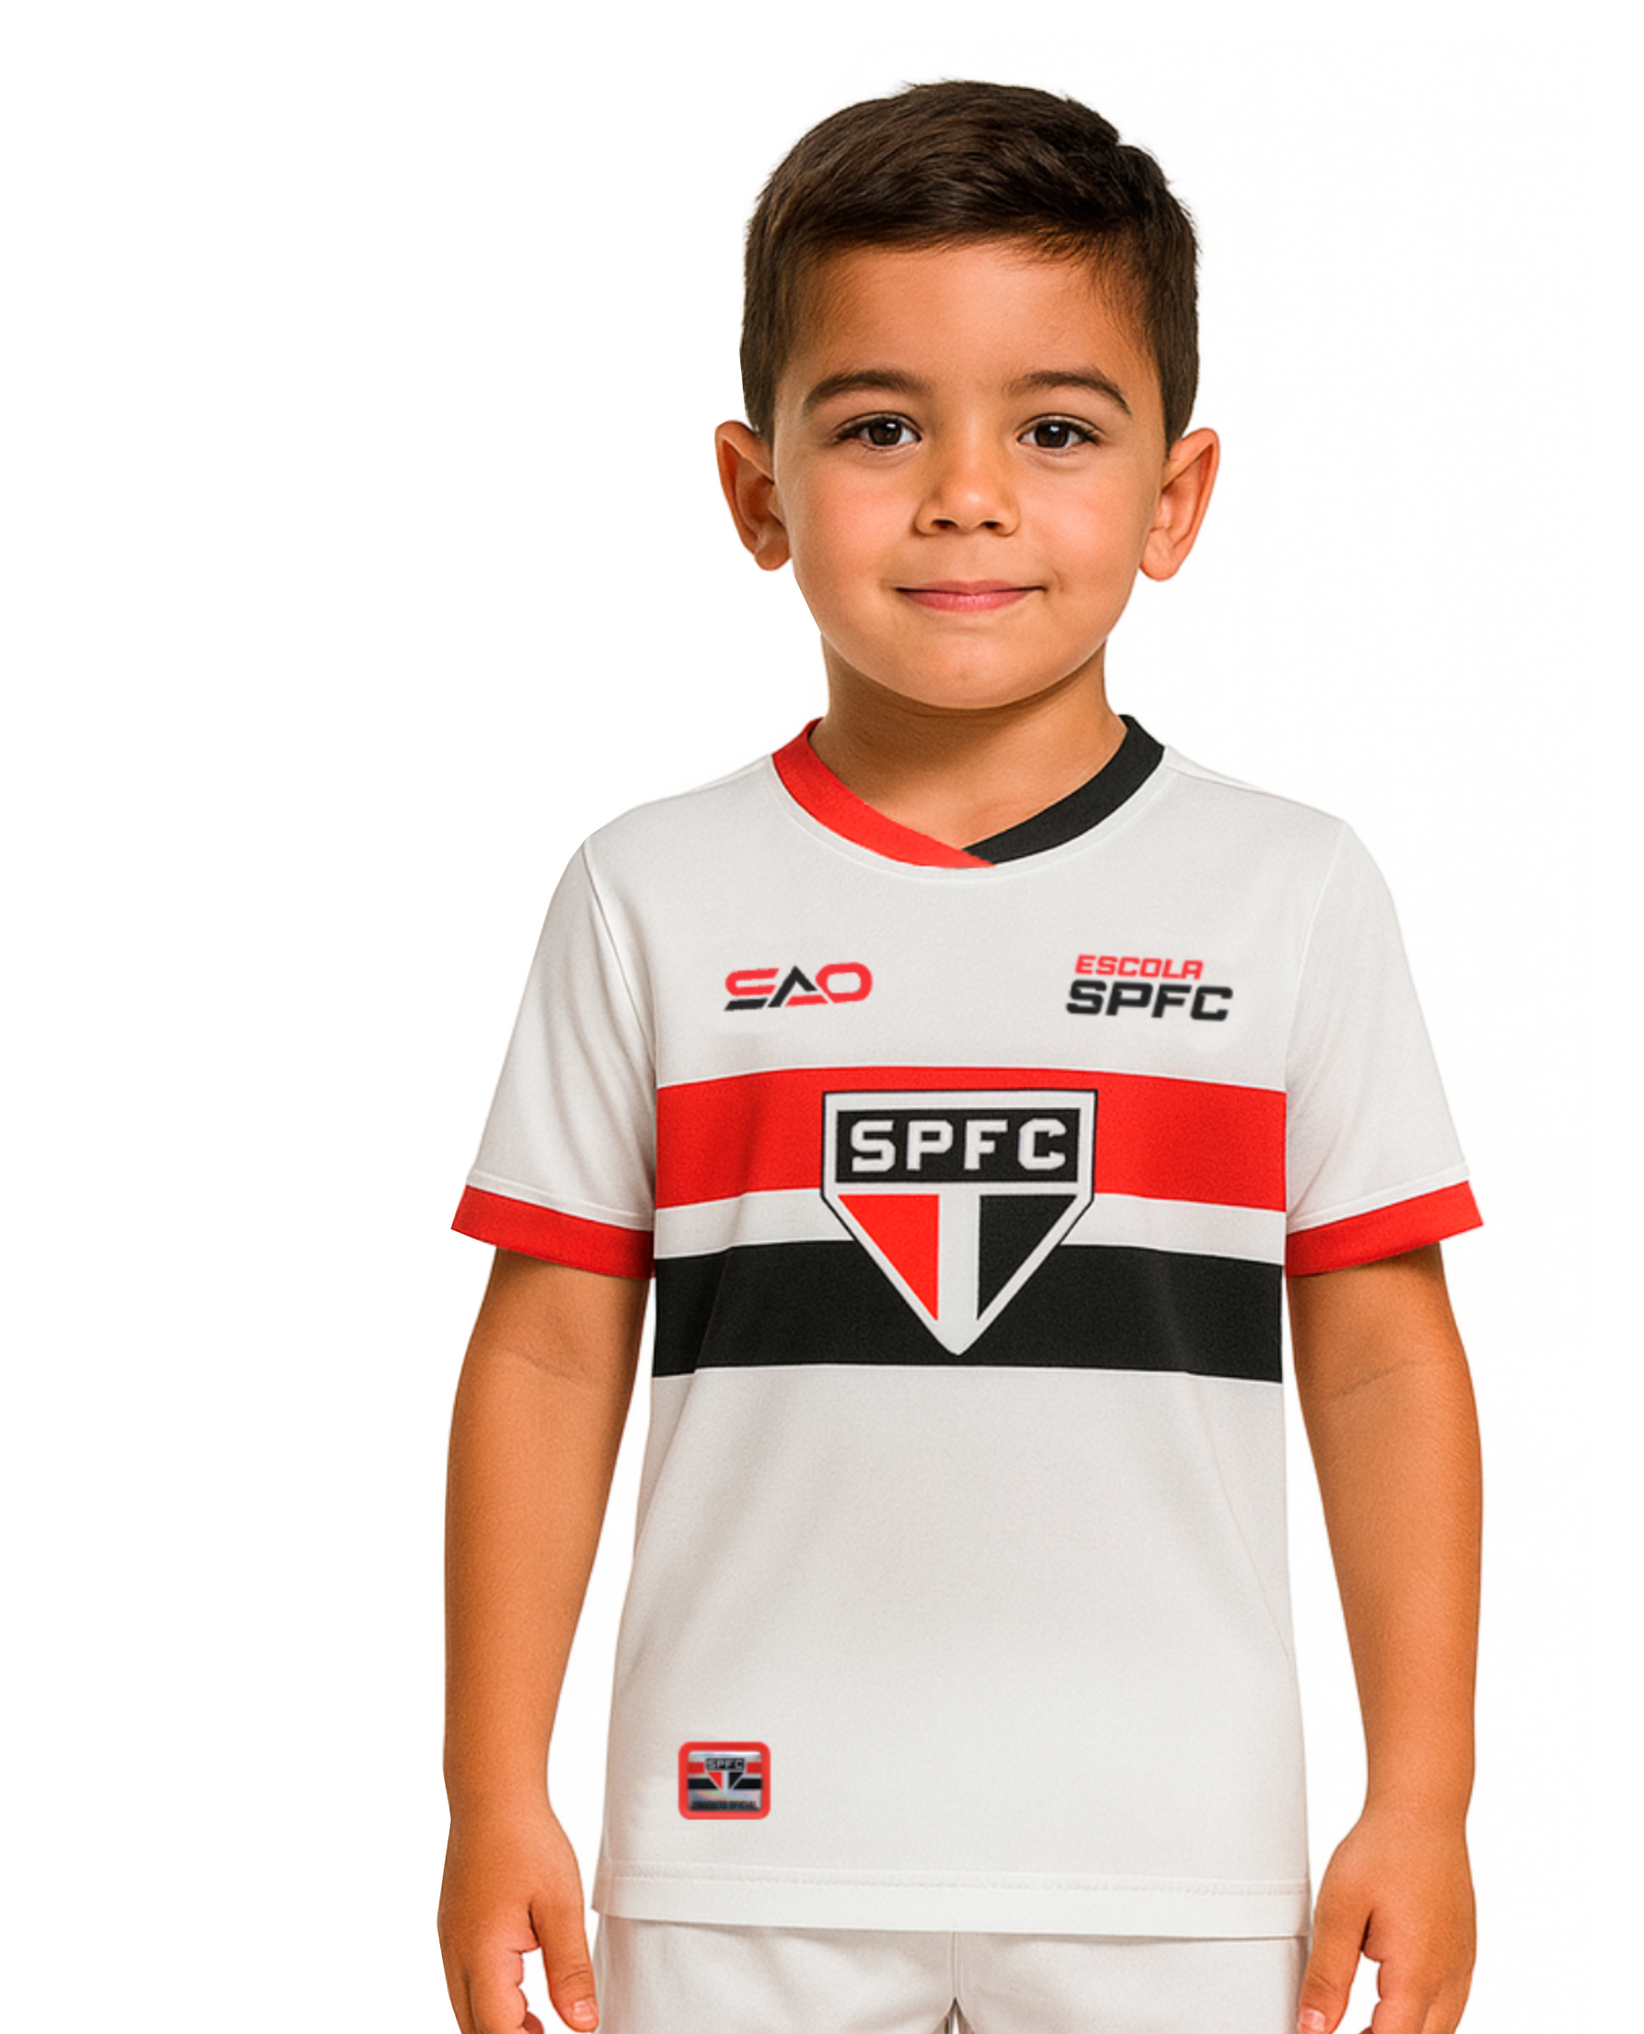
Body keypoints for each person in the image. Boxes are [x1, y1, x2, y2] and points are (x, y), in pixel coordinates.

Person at [438, 79, 1482, 2034]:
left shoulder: (1289, 892)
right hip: (738, 1839)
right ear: (756, 490)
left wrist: (1421, 1799)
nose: (967, 494)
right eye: (880, 425)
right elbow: (551, 1350)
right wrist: (493, 1790)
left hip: (1173, 1859)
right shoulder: (649, 891)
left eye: (1056, 428)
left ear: (1174, 497)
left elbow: (1379, 1356)